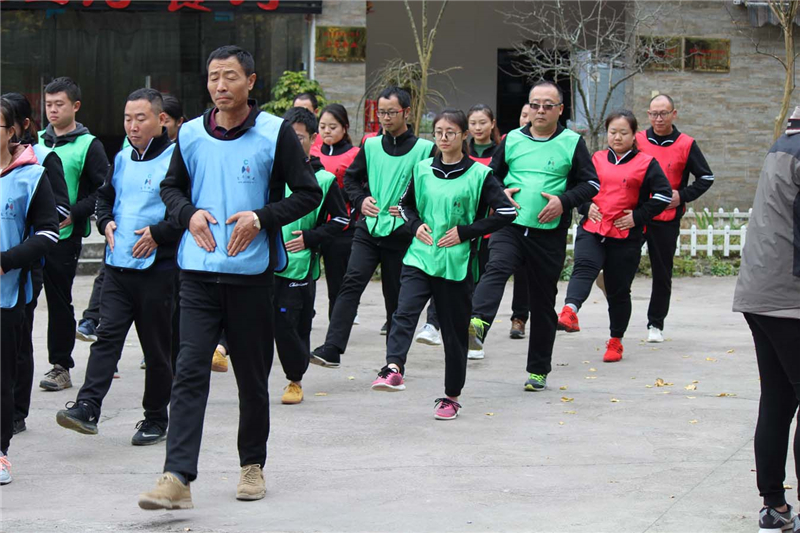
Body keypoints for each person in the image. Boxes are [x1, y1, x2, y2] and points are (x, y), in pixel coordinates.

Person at [138, 45, 321, 509]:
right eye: (213, 77)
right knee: (189, 372)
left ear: (251, 81)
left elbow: (307, 193)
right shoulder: (190, 134)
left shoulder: (274, 133)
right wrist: (188, 214)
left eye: (230, 76)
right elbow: (171, 188)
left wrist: (261, 218)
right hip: (197, 275)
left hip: (251, 278)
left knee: (252, 379)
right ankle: (177, 476)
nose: (220, 85)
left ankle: (251, 464)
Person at [55, 88, 182, 445]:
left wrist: (159, 234)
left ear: (161, 120)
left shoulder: (177, 159)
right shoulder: (123, 157)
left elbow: (186, 212)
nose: (132, 126)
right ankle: (87, 407)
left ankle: (155, 418)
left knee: (157, 351)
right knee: (106, 339)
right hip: (117, 266)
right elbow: (105, 197)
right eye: (127, 119)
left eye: (141, 118)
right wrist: (105, 221)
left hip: (158, 271)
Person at [371, 108, 516, 420]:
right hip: (420, 255)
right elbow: (404, 206)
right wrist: (415, 226)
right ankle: (393, 367)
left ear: (464, 135)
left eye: (451, 132)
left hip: (456, 264)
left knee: (453, 333)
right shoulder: (422, 169)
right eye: (438, 132)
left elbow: (507, 212)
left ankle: (451, 397)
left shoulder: (479, 175)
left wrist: (466, 232)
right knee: (404, 312)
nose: (444, 138)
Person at [468, 80, 599, 391]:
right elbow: (491, 176)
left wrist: (563, 201)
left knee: (542, 303)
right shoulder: (512, 139)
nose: (541, 110)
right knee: (497, 267)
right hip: (510, 226)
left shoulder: (572, 142)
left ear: (560, 110)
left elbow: (591, 184)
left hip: (548, 235)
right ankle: (477, 323)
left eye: (548, 106)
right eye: (535, 105)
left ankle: (538, 371)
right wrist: (501, 194)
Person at [309, 86, 435, 368]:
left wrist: (411, 211)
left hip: (401, 235)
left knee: (395, 299)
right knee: (350, 284)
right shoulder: (371, 145)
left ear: (406, 112)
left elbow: (432, 189)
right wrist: (361, 200)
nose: (386, 118)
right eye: (382, 112)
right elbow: (351, 180)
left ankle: (393, 363)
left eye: (392, 112)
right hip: (368, 229)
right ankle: (332, 348)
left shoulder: (425, 150)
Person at [733, 106, 800, 533]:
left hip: (762, 294)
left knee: (777, 398)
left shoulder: (785, 144)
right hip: (789, 297)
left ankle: (773, 507)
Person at [557, 110, 671, 362]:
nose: (617, 137)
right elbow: (576, 187)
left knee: (618, 290)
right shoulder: (596, 159)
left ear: (634, 135)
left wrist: (638, 216)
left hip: (625, 236)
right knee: (583, 267)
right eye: (612, 132)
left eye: (623, 133)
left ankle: (616, 341)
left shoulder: (646, 163)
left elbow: (664, 195)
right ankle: (569, 311)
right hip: (593, 228)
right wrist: (586, 206)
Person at [2, 92, 69, 435]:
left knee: (16, 346)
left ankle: (15, 413)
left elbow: (54, 218)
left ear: (16, 129)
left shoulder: (39, 166)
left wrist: (12, 256)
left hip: (22, 273)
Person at [38, 77, 109, 392]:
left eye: (59, 104)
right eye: (48, 104)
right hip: (30, 236)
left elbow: (103, 190)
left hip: (64, 238)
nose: (52, 110)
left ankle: (60, 366)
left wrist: (73, 213)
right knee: (18, 303)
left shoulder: (88, 145)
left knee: (58, 302)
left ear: (75, 106)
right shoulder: (35, 141)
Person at [414, 103, 502, 348]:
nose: (478, 127)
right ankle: (433, 324)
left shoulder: (496, 155)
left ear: (492, 124)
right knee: (441, 275)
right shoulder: (447, 158)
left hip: (482, 233)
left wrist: (499, 197)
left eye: (482, 122)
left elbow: (499, 186)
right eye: (473, 123)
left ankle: (472, 335)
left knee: (473, 286)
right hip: (450, 234)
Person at [276, 107, 347, 405]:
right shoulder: (271, 175)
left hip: (299, 267)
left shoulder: (324, 180)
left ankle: (295, 379)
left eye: (300, 138)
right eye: (288, 138)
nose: (293, 144)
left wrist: (310, 238)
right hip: (263, 263)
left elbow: (341, 219)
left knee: (292, 325)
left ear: (313, 139)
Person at [637, 94, 714, 343]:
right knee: (620, 264)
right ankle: (617, 319)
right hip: (637, 215)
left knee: (662, 273)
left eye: (663, 113)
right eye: (654, 114)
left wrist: (682, 195)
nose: (658, 118)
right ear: (648, 115)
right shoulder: (638, 140)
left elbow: (706, 177)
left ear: (674, 114)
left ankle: (655, 324)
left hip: (666, 218)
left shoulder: (686, 144)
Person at [309, 103, 360, 319]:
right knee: (305, 277)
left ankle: (337, 325)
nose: (327, 131)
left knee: (337, 283)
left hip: (341, 227)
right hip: (312, 223)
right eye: (322, 127)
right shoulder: (311, 152)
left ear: (345, 128)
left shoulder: (355, 154)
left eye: (333, 127)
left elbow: (358, 187)